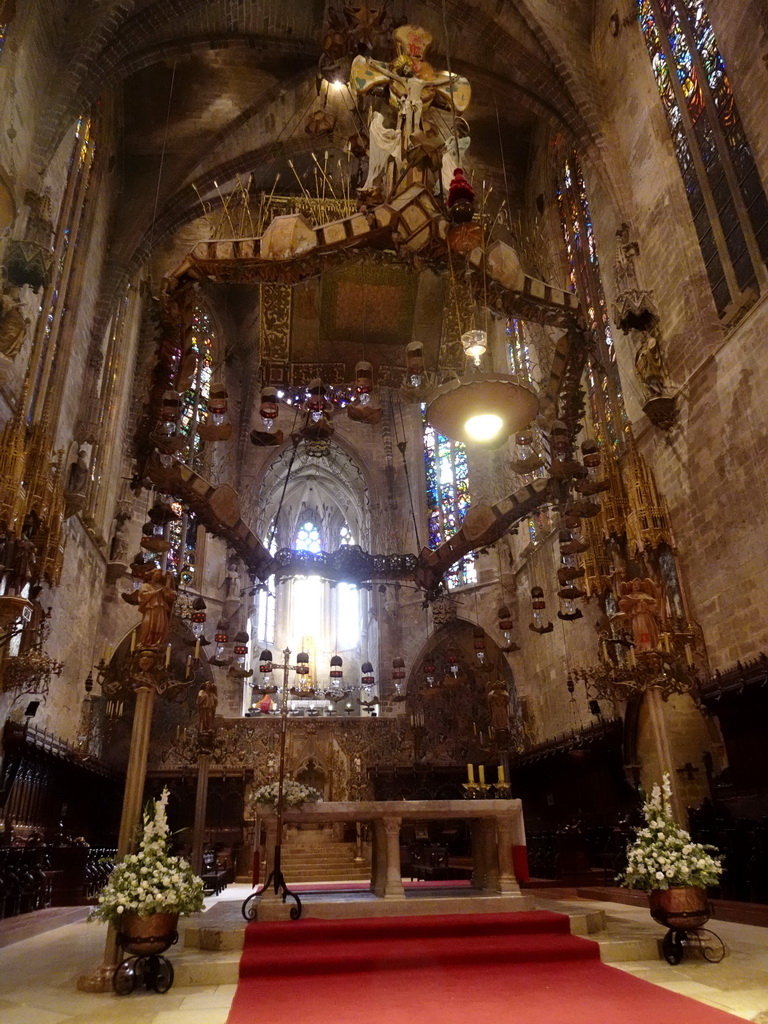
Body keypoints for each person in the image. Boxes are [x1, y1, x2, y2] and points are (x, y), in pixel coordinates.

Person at [618, 577, 662, 652]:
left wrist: (647, 606)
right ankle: (643, 647)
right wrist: (634, 601)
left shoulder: (645, 595)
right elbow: (622, 604)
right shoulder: (630, 596)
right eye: (634, 584)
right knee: (641, 631)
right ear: (631, 586)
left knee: (650, 631)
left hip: (647, 617)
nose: (636, 586)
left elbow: (655, 606)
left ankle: (651, 646)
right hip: (638, 618)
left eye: (638, 584)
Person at [136, 568, 177, 648]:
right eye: (156, 574)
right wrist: (156, 592)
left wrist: (169, 579)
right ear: (151, 575)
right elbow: (143, 595)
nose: (157, 577)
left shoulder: (162, 587)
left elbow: (170, 595)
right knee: (147, 626)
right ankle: (145, 643)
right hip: (150, 609)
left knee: (160, 627)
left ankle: (157, 643)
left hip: (161, 609)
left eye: (159, 575)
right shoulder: (146, 585)